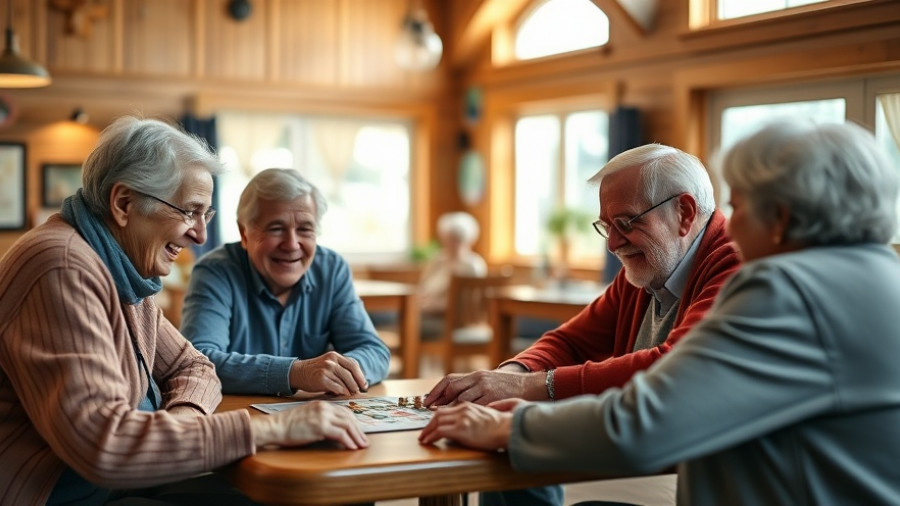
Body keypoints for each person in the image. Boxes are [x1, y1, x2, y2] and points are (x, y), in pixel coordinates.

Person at [420, 119, 900, 505]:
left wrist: (510, 424)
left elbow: (646, 425)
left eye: (739, 206)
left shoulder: (785, 287)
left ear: (780, 219)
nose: (729, 224)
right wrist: (514, 380)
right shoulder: (880, 274)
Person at [0, 117, 368, 506]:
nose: (200, 235)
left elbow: (194, 366)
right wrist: (270, 429)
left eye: (205, 214)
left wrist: (183, 423)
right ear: (124, 204)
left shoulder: (121, 266)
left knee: (326, 493)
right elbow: (106, 447)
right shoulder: (63, 265)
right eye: (190, 211)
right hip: (66, 496)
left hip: (126, 482)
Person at [425, 143, 739, 406]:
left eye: (627, 223)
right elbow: (571, 342)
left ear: (684, 213)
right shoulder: (649, 266)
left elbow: (673, 367)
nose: (614, 245)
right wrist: (509, 376)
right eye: (607, 226)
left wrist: (527, 388)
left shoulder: (734, 264)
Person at [181, 168, 391, 396]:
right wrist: (296, 373)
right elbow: (199, 360)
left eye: (304, 229)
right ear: (244, 234)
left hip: (315, 417)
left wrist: (340, 371)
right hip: (240, 421)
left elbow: (375, 352)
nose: (291, 244)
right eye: (276, 228)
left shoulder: (331, 269)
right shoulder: (215, 271)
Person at [417, 211, 488, 337]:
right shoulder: (438, 260)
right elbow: (422, 287)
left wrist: (434, 306)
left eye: (456, 239)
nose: (451, 243)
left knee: (408, 324)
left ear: (467, 239)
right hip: (427, 313)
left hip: (453, 322)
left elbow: (470, 305)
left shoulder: (473, 265)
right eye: (448, 239)